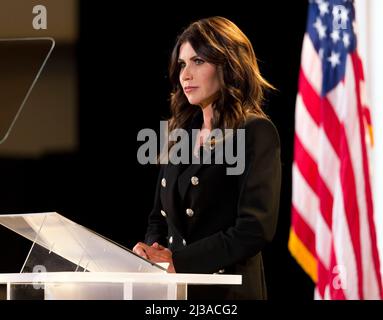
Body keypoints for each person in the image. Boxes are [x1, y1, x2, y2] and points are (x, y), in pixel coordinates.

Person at [133, 16, 281, 299]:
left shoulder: (256, 131)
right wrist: (151, 254)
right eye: (182, 64)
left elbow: (255, 229)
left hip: (226, 295)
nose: (185, 75)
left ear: (229, 65)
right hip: (175, 293)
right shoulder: (179, 134)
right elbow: (158, 219)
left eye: (198, 61)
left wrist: (179, 261)